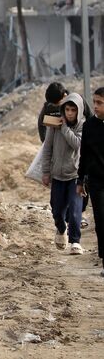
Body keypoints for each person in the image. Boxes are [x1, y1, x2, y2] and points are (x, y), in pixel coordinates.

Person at [41, 92, 85, 255]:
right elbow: (47, 148)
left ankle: (75, 241)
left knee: (74, 210)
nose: (70, 113)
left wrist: (65, 127)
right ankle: (61, 229)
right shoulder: (54, 125)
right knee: (57, 210)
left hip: (75, 175)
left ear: (78, 111)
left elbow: (77, 144)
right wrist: (46, 172)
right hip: (57, 175)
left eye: (73, 110)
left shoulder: (82, 125)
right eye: (67, 109)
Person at [79, 87, 104, 275]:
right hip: (97, 183)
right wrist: (80, 181)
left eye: (99, 103)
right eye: (94, 102)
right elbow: (84, 156)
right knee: (101, 222)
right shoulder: (89, 126)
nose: (95, 106)